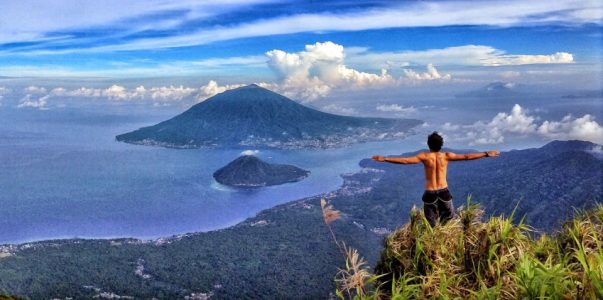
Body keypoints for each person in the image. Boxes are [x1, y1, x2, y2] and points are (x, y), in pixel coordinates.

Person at [372, 132, 499, 227]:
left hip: (430, 194)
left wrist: (385, 158)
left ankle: (434, 245)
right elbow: (466, 156)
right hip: (444, 192)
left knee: (431, 224)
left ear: (428, 145)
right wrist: (486, 153)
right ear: (441, 145)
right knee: (449, 221)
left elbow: (405, 161)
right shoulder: (446, 156)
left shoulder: (425, 157)